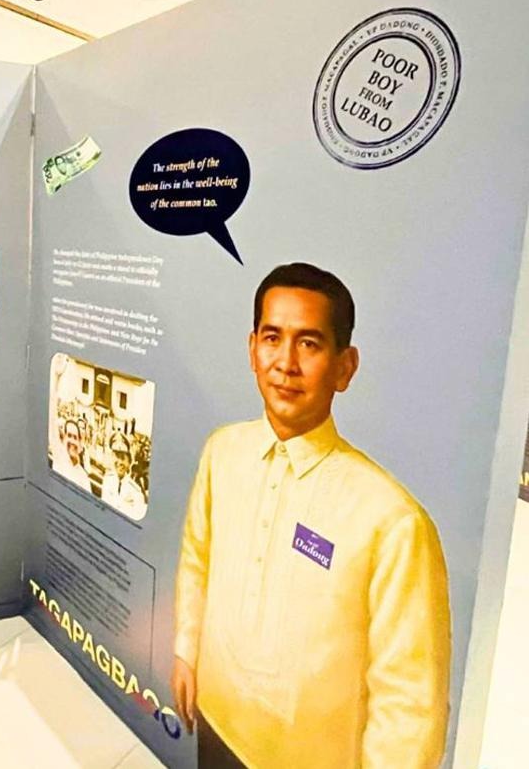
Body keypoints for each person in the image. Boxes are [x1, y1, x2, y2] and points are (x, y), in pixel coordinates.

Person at [171, 262, 450, 769]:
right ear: (252, 349)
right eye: (272, 338)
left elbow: (410, 704)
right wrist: (186, 652)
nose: (286, 363)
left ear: (345, 367)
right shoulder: (222, 452)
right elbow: (197, 559)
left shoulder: (392, 520)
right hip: (215, 722)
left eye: (309, 343)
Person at [101, 432, 147, 520]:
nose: (119, 462)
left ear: (129, 462)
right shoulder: (107, 480)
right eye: (116, 456)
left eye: (122, 458)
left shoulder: (136, 491)